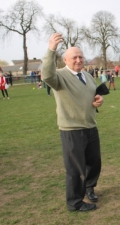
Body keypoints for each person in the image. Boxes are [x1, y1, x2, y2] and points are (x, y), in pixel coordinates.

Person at [42, 33, 104, 212]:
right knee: (75, 169)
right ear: (65, 59)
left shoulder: (87, 76)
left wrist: (99, 100)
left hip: (90, 127)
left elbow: (93, 95)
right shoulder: (59, 76)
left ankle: (89, 188)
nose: (78, 60)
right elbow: (46, 75)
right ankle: (74, 202)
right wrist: (51, 48)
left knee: (94, 162)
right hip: (71, 130)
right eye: (74, 57)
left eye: (81, 57)